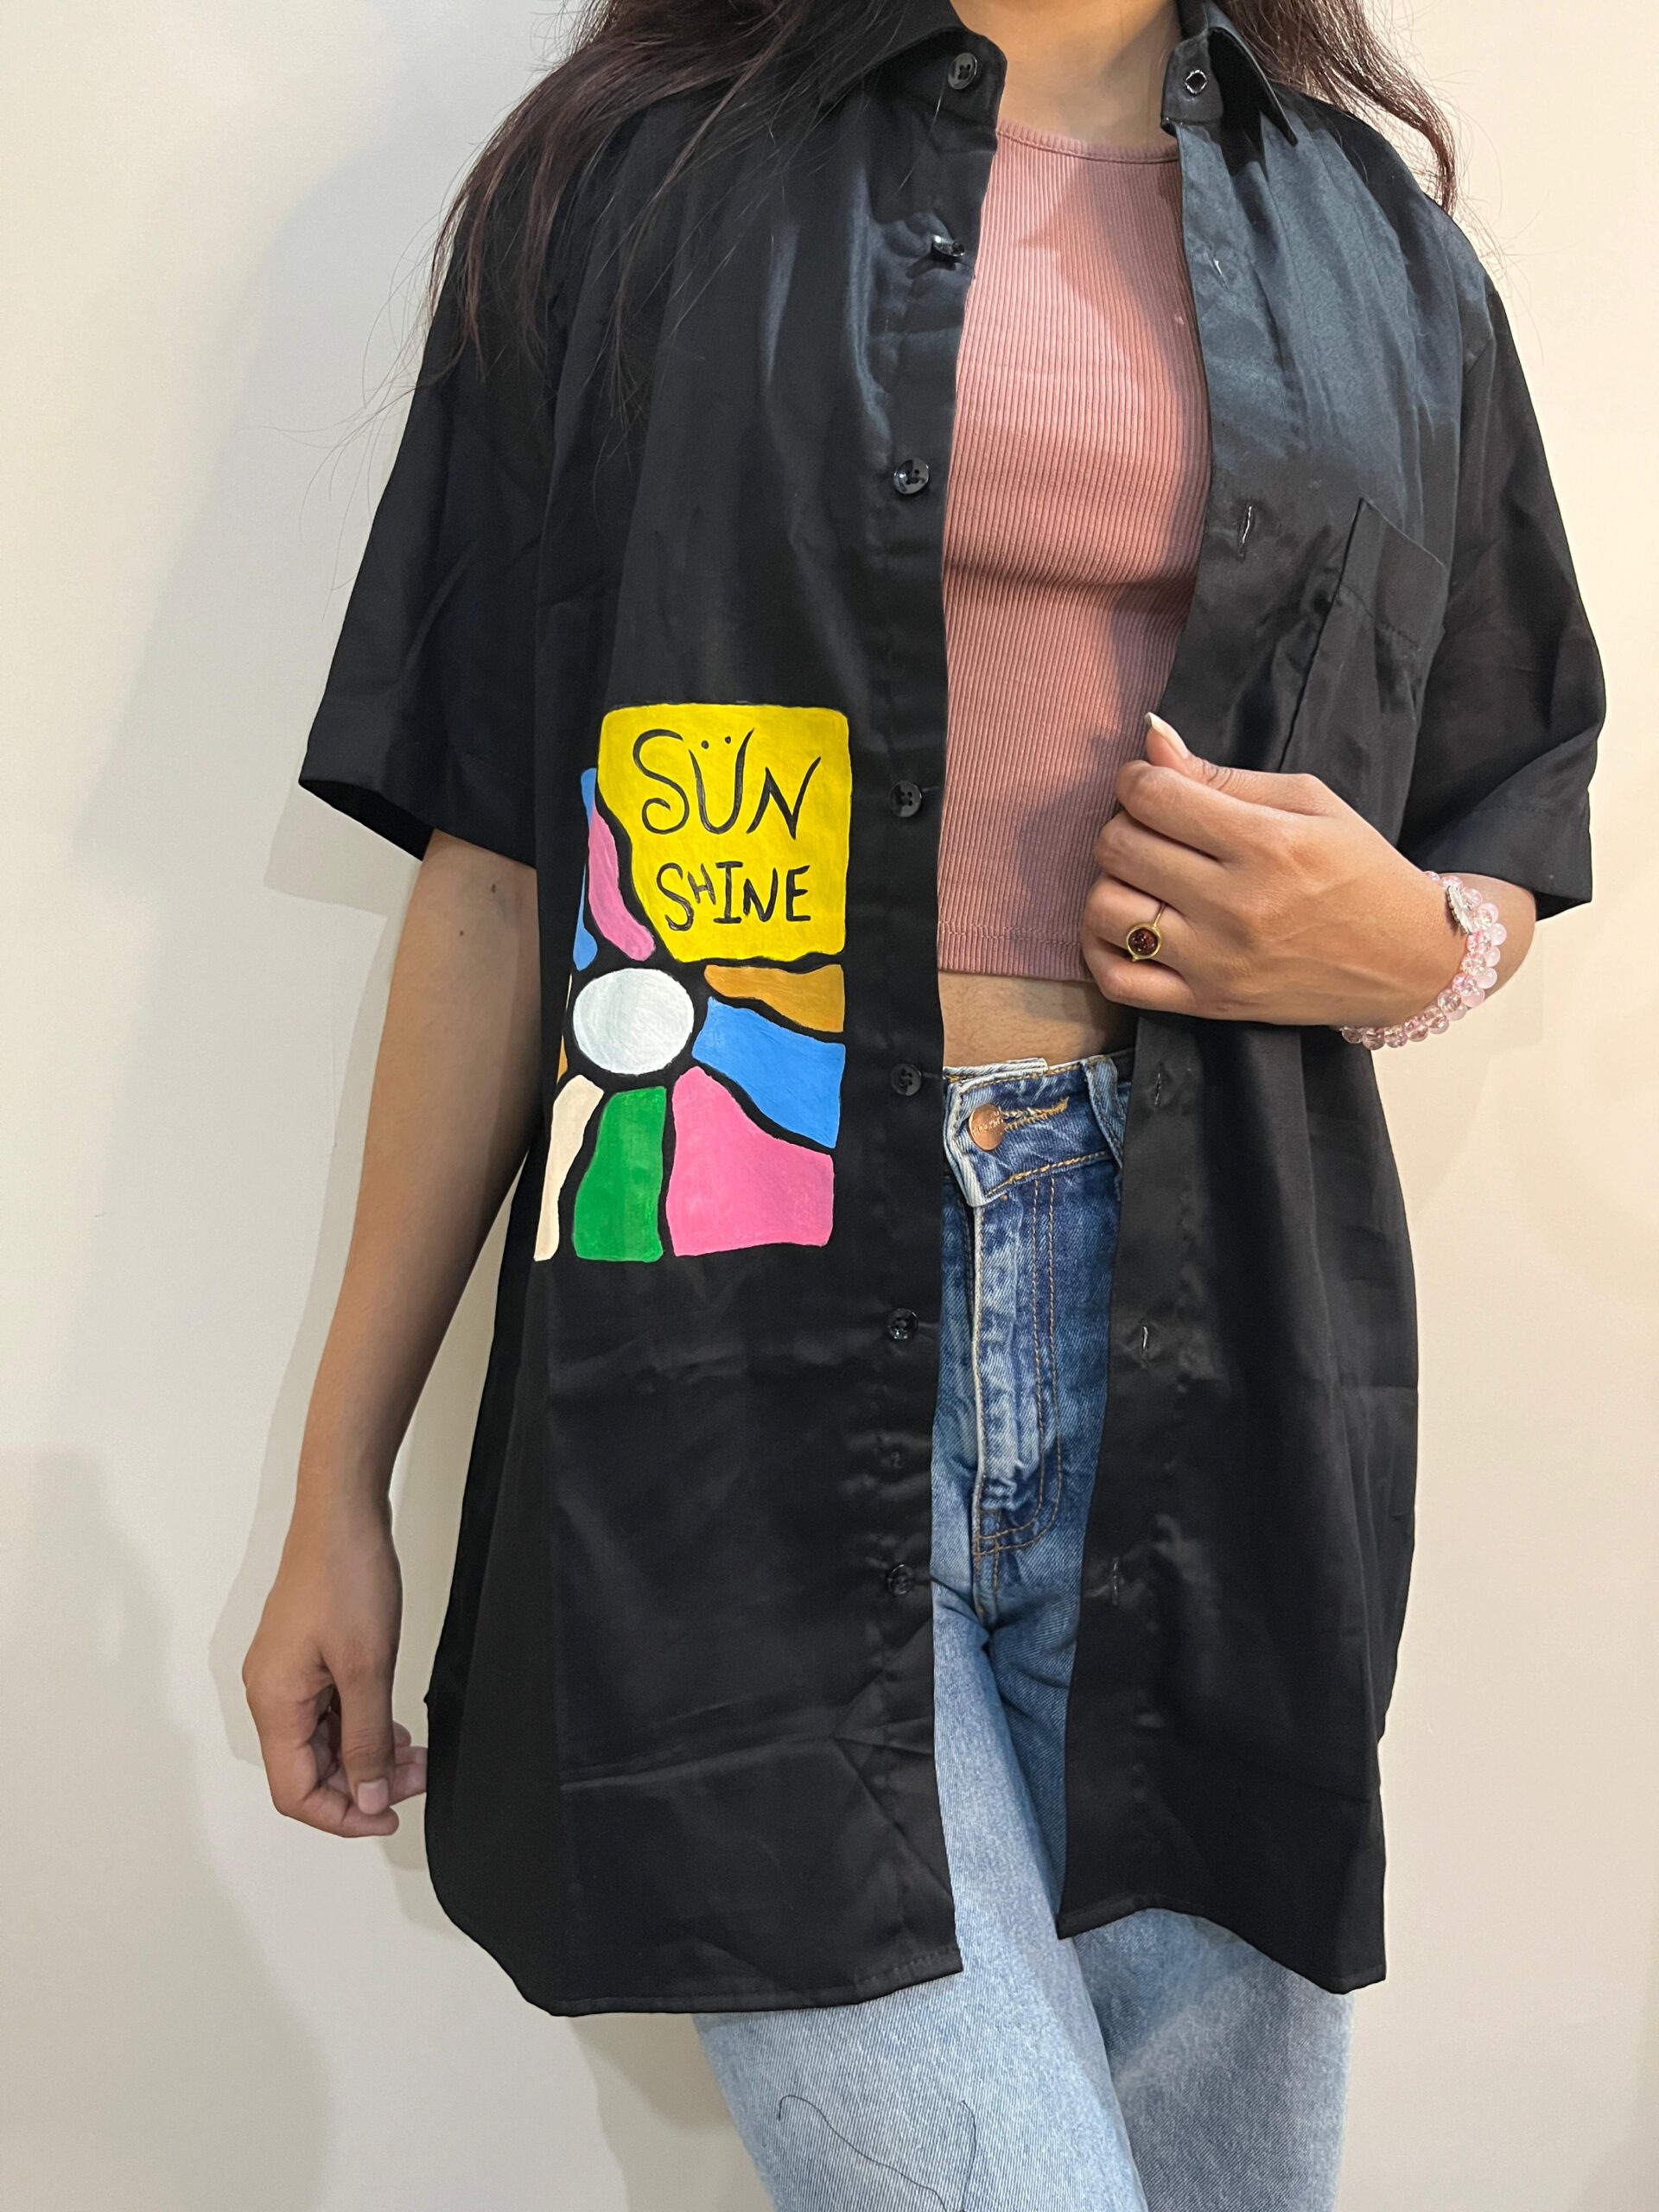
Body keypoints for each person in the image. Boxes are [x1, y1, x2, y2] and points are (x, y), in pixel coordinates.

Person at [243, 0, 1603, 2202]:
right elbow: (501, 868)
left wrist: (1420, 945)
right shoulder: (635, 187)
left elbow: (1498, 800)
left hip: (1218, 1334)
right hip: (726, 1301)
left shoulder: (1374, 244)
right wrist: (341, 1474)